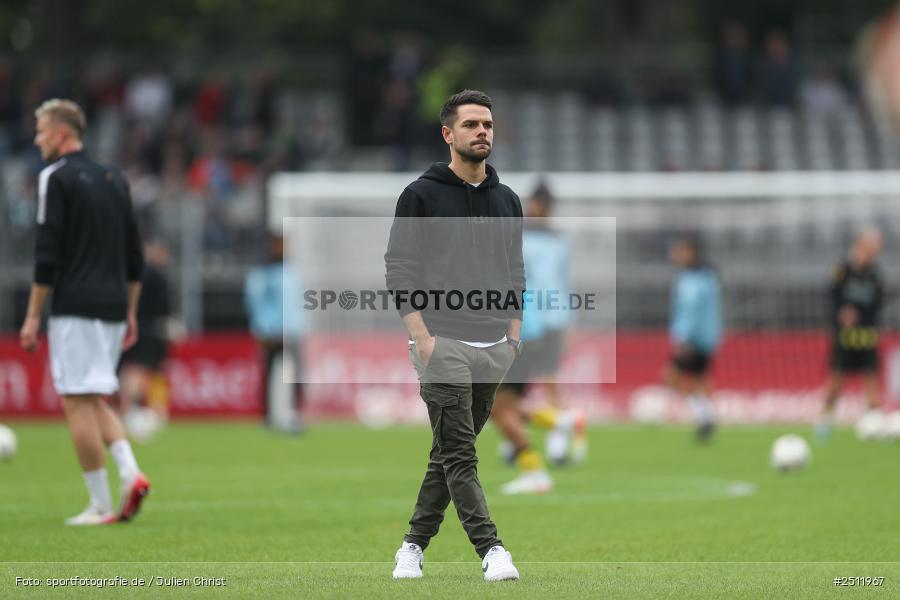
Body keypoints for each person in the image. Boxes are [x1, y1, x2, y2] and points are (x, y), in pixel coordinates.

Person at [385, 90, 523, 581]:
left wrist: (513, 336)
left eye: (487, 123)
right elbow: (399, 268)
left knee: (447, 453)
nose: (482, 131)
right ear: (448, 134)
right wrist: (422, 337)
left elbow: (515, 271)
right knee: (462, 455)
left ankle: (412, 545)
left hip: (494, 349)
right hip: (441, 342)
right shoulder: (420, 196)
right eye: (471, 125)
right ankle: (493, 551)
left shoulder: (507, 199)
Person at [19, 99, 150, 525]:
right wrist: (130, 311)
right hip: (113, 306)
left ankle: (99, 505)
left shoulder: (54, 178)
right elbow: (135, 255)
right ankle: (131, 473)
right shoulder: (115, 178)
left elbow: (47, 253)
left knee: (75, 401)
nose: (37, 139)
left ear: (61, 132)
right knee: (92, 396)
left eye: (41, 131)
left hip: (76, 304)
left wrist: (33, 315)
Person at [492, 182, 585, 495]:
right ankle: (556, 423)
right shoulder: (518, 241)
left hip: (522, 332)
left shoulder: (513, 243)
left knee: (492, 405)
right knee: (504, 403)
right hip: (531, 329)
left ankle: (540, 455)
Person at [817, 229, 884, 440]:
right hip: (844, 337)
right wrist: (842, 312)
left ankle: (875, 425)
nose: (876, 250)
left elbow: (876, 305)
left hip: (866, 336)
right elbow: (831, 295)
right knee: (835, 382)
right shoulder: (842, 270)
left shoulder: (875, 274)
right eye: (873, 245)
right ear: (861, 245)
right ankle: (825, 424)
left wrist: (866, 321)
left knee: (871, 381)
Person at [245, 234, 305, 433]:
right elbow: (256, 303)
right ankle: (270, 416)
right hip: (272, 332)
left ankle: (293, 414)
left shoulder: (291, 271)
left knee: (296, 375)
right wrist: (263, 328)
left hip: (293, 330)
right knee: (271, 373)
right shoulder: (263, 273)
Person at [665, 236, 722, 442]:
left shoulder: (691, 279)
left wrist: (683, 336)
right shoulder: (708, 276)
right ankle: (707, 416)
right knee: (699, 379)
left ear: (691, 252)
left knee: (671, 376)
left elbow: (690, 310)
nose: (676, 255)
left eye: (680, 251)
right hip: (708, 337)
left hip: (693, 338)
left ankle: (704, 415)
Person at [119, 238, 173, 441]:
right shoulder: (156, 275)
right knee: (144, 371)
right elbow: (164, 307)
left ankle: (132, 410)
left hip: (131, 327)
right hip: (150, 330)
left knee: (136, 370)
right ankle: (146, 411)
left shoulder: (132, 274)